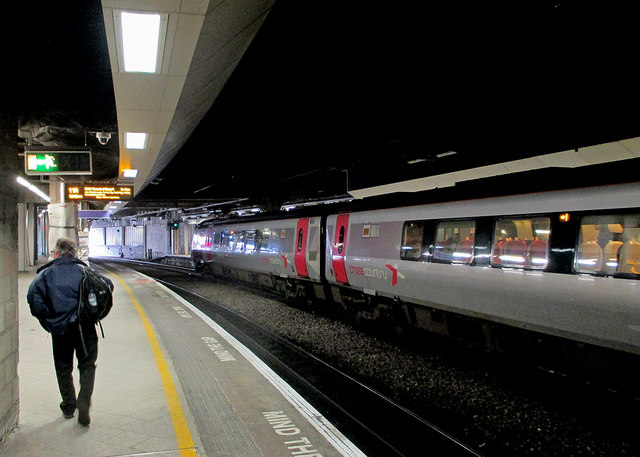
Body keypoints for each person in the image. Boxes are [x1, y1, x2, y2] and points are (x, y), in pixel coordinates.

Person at [27, 237, 113, 426]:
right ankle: (84, 402)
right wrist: (93, 313)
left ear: (56, 253)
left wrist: (48, 319)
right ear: (74, 253)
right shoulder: (84, 271)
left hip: (59, 329)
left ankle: (68, 405)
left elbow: (33, 298)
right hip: (84, 328)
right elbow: (107, 286)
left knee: (63, 367)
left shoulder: (45, 274)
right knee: (87, 365)